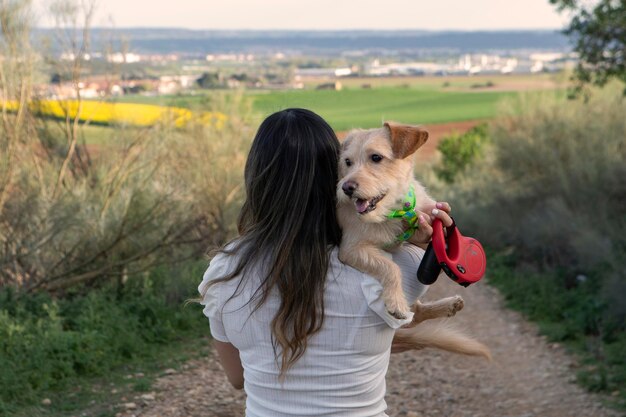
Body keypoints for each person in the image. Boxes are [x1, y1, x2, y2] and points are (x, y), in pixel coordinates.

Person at [198, 108, 453, 416]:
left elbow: (237, 377)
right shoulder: (401, 269)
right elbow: (406, 232)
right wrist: (419, 237)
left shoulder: (224, 270)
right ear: (334, 175)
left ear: (256, 179)